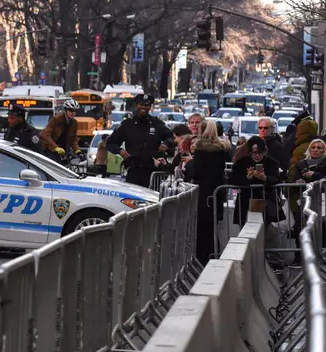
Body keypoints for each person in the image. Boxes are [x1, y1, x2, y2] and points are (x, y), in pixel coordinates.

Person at [105, 94, 176, 188]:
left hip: (153, 171)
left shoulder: (157, 124)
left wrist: (165, 144)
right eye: (141, 105)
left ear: (150, 107)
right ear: (137, 105)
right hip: (134, 169)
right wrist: (120, 151)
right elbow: (110, 143)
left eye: (147, 105)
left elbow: (172, 137)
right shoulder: (127, 124)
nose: (144, 107)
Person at [185, 123, 230, 265]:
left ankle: (202, 260)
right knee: (211, 231)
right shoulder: (221, 149)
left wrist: (190, 163)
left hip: (202, 196)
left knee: (201, 232)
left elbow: (197, 172)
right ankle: (212, 257)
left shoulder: (200, 149)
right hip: (215, 196)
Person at [231, 135, 282, 226]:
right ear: (250, 152)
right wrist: (247, 178)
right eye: (254, 152)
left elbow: (277, 178)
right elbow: (233, 180)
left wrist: (265, 178)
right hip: (245, 201)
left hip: (266, 200)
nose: (257, 155)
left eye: (260, 152)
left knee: (265, 227)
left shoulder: (271, 162)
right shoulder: (241, 162)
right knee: (245, 227)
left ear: (264, 151)